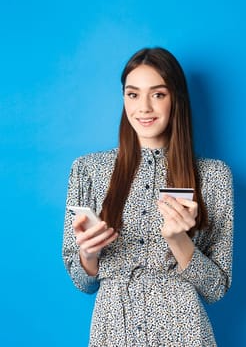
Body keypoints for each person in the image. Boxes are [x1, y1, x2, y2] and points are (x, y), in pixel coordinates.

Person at [62, 47, 234, 346]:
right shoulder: (87, 170)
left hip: (185, 331)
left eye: (158, 94)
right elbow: (82, 282)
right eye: (132, 94)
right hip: (113, 329)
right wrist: (88, 255)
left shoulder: (214, 176)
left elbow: (215, 289)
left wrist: (179, 240)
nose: (143, 107)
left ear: (175, 99)